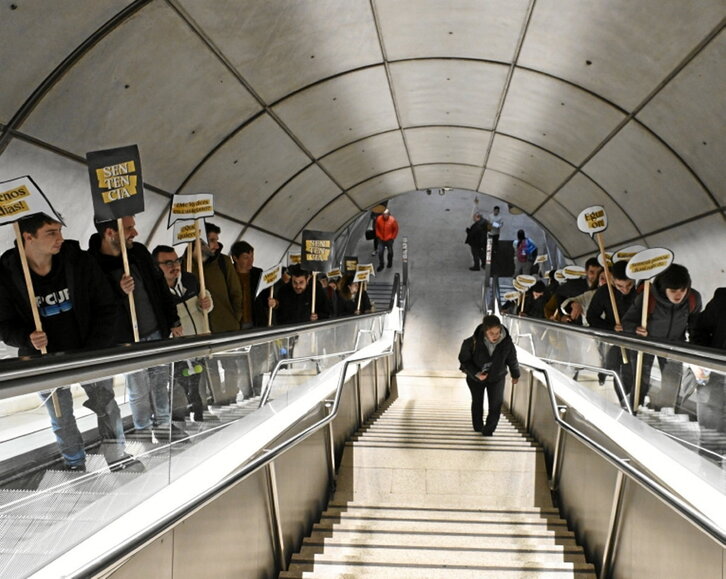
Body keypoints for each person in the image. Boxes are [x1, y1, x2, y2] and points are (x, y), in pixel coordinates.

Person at [0, 213, 142, 472]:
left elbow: (106, 306)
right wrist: (26, 338)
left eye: (59, 231)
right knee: (60, 415)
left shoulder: (78, 262)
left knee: (107, 406)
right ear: (27, 238)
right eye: (51, 233)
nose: (60, 239)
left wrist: (93, 352)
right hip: (43, 359)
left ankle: (117, 456)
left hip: (87, 351)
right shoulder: (7, 275)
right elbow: (4, 324)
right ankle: (75, 463)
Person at [89, 216, 184, 440]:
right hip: (128, 339)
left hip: (156, 332)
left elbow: (160, 288)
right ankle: (143, 430)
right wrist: (118, 290)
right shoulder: (92, 263)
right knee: (138, 390)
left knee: (161, 383)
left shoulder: (139, 252)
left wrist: (173, 320)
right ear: (110, 233)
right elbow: (94, 303)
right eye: (129, 228)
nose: (136, 233)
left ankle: (164, 427)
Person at [622, 263, 702, 407]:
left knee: (672, 386)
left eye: (682, 290)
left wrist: (694, 346)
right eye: (673, 290)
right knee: (641, 382)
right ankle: (634, 409)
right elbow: (627, 322)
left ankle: (665, 412)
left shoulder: (693, 299)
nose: (679, 295)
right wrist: (635, 329)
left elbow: (695, 325)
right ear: (664, 288)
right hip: (646, 344)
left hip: (674, 345)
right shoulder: (647, 297)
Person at [153, 245, 213, 421]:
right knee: (179, 384)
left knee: (197, 383)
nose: (175, 266)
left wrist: (207, 304)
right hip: (177, 349)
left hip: (198, 342)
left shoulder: (190, 279)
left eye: (177, 260)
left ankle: (200, 414)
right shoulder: (156, 290)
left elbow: (206, 304)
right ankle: (179, 420)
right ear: (157, 267)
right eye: (168, 263)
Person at [188, 223, 244, 404]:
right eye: (211, 240)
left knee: (230, 365)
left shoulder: (222, 262)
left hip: (226, 325)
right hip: (202, 329)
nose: (216, 245)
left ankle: (230, 396)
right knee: (208, 367)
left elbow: (236, 292)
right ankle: (215, 398)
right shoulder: (186, 265)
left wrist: (236, 318)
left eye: (216, 240)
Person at [458, 315, 520, 436]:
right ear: (485, 331)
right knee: (477, 402)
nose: (495, 336)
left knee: (496, 404)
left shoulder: (507, 342)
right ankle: (478, 426)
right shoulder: (471, 342)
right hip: (475, 379)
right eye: (491, 333)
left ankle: (488, 431)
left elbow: (512, 359)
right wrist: (476, 373)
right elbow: (464, 360)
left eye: (498, 332)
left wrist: (515, 374)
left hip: (497, 377)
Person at [586, 261, 637, 392]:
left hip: (635, 340)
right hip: (613, 340)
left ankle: (630, 402)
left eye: (629, 285)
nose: (625, 290)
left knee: (633, 375)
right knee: (615, 370)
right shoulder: (604, 292)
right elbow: (591, 317)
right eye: (620, 286)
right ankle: (620, 398)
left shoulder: (641, 291)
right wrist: (611, 327)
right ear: (612, 279)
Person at [689, 288, 726, 434]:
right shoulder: (723, 299)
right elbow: (699, 329)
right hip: (714, 375)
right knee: (710, 434)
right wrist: (701, 360)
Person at [230, 240, 263, 328]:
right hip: (235, 322)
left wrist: (274, 303)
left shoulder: (258, 274)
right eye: (246, 257)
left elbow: (266, 296)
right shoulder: (228, 274)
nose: (250, 260)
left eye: (252, 256)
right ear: (235, 258)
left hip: (255, 321)